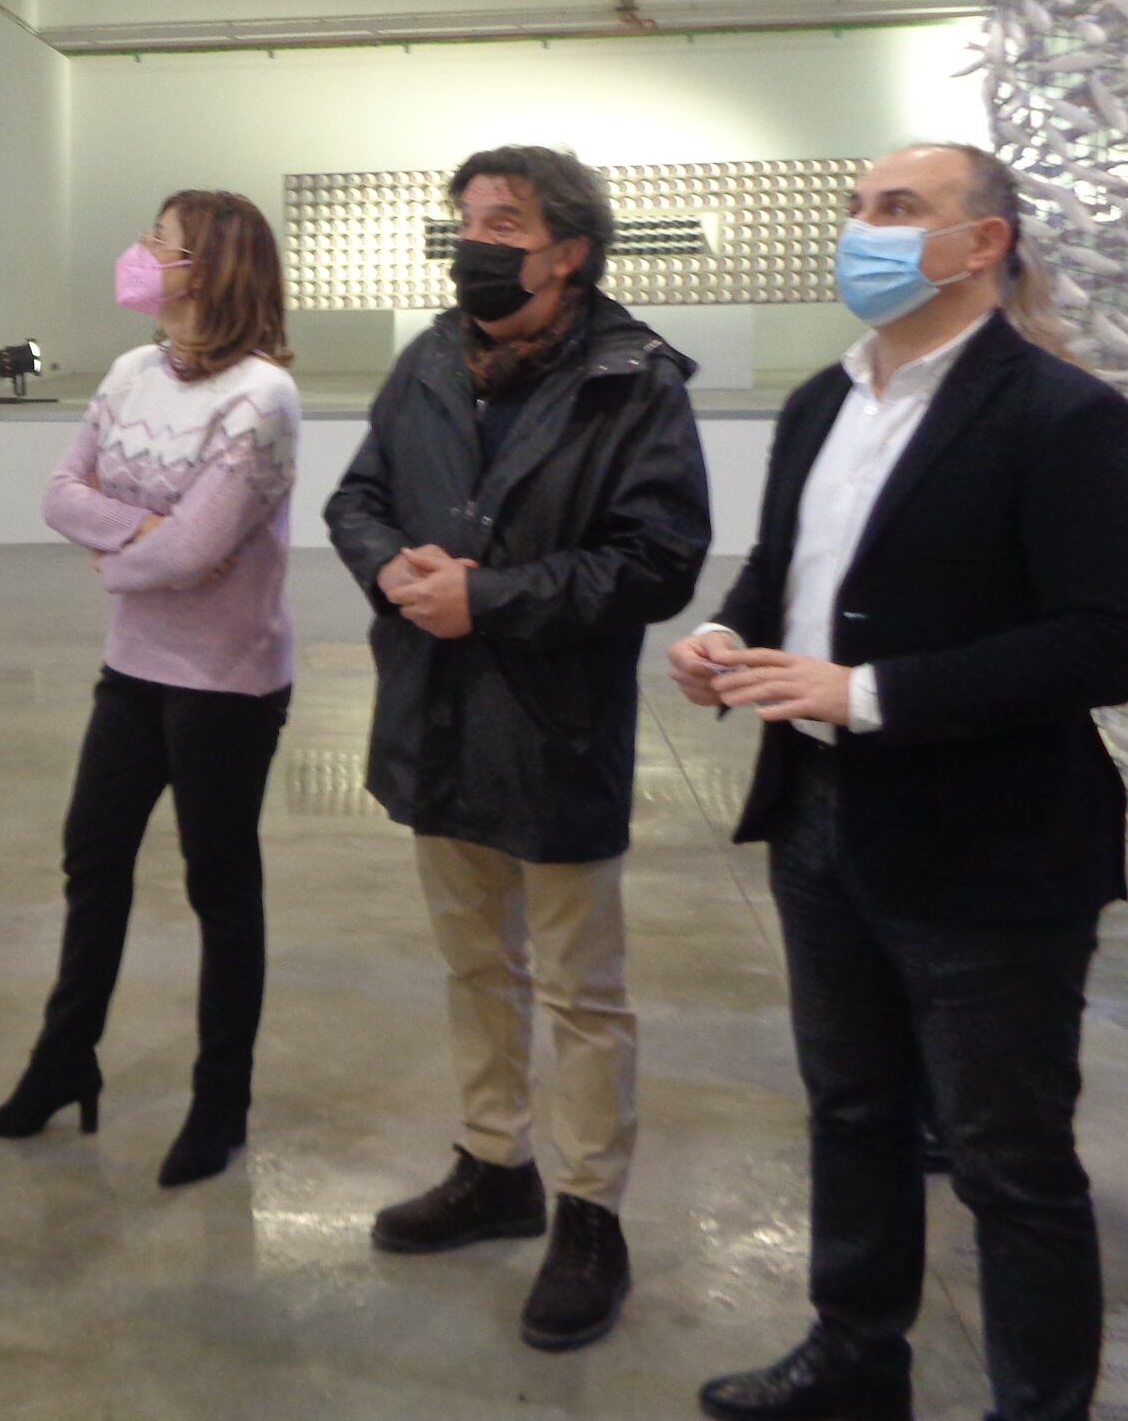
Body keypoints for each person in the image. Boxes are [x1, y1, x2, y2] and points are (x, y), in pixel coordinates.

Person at [671, 143, 1128, 1421]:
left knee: (1009, 1158)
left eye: (899, 210)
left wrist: (872, 693)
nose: (865, 233)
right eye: (858, 211)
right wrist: (725, 639)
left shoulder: (1063, 415)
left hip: (989, 842)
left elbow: (1115, 641)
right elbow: (785, 571)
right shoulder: (819, 406)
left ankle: (1037, 1402)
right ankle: (854, 1351)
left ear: (983, 241)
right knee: (849, 1107)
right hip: (818, 818)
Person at [326, 145, 711, 1351]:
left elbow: (657, 564)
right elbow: (358, 497)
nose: (474, 241)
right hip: (435, 714)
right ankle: (496, 1166)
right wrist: (391, 568)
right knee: (473, 965)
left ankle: (590, 1214)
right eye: (465, 221)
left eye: (503, 222)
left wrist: (488, 598)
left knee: (580, 990)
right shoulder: (433, 355)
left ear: (571, 250)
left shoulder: (632, 379)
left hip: (553, 726)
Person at [0, 190, 301, 1189]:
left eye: (161, 241)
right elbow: (58, 494)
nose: (142, 253)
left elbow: (202, 548)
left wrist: (122, 553)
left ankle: (220, 1103)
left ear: (209, 269)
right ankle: (62, 1066)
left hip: (227, 683)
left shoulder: (260, 397)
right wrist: (145, 545)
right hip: (134, 668)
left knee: (220, 889)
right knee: (92, 864)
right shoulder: (127, 372)